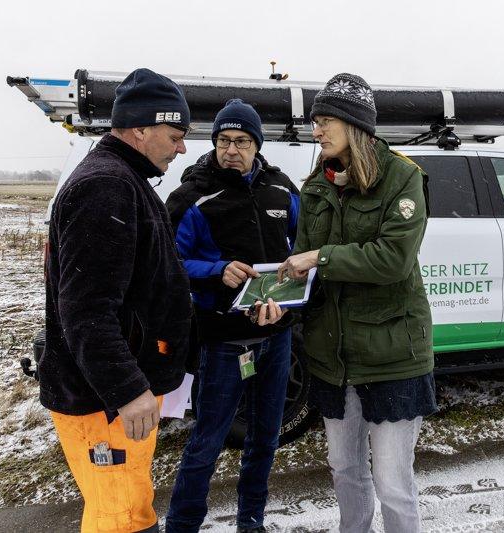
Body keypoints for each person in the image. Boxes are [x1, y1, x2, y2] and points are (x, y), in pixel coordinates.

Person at [278, 73, 437, 533]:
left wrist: (321, 257)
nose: (316, 131)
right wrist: (276, 301)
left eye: (325, 121)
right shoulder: (315, 186)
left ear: (354, 124)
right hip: (334, 358)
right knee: (345, 470)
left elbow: (393, 260)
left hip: (392, 355)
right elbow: (303, 268)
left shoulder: (403, 178)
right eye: (314, 122)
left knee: (393, 483)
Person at [41, 68, 193, 532]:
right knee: (122, 519)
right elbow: (85, 310)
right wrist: (126, 388)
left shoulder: (125, 180)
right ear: (141, 129)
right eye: (175, 136)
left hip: (113, 396)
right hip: (103, 402)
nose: (182, 149)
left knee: (128, 508)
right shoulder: (105, 187)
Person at [164, 98, 299, 533]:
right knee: (207, 442)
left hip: (276, 334)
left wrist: (292, 292)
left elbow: (303, 248)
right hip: (223, 340)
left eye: (242, 141)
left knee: (265, 439)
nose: (231, 150)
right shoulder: (193, 196)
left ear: (257, 145)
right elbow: (168, 262)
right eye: (223, 140)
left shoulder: (282, 189)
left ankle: (251, 521)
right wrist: (216, 270)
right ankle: (183, 524)